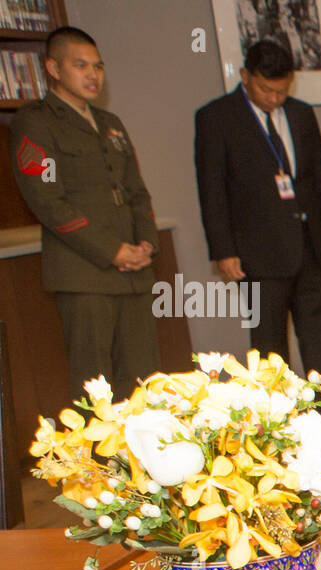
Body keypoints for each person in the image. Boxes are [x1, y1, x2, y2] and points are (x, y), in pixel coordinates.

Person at [9, 26, 160, 405]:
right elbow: (48, 200)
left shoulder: (111, 124)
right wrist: (112, 250)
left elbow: (136, 192)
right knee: (95, 390)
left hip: (134, 274)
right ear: (54, 69)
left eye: (98, 66)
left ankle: (140, 465)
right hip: (85, 275)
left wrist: (146, 244)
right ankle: (99, 467)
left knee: (144, 384)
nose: (93, 75)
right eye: (81, 66)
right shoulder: (36, 122)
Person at [194, 39, 321, 383]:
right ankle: (277, 428)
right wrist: (224, 250)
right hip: (257, 255)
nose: (274, 98)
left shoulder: (301, 113)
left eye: (281, 90)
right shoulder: (215, 118)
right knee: (268, 350)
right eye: (266, 89)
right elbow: (212, 191)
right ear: (245, 75)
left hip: (313, 246)